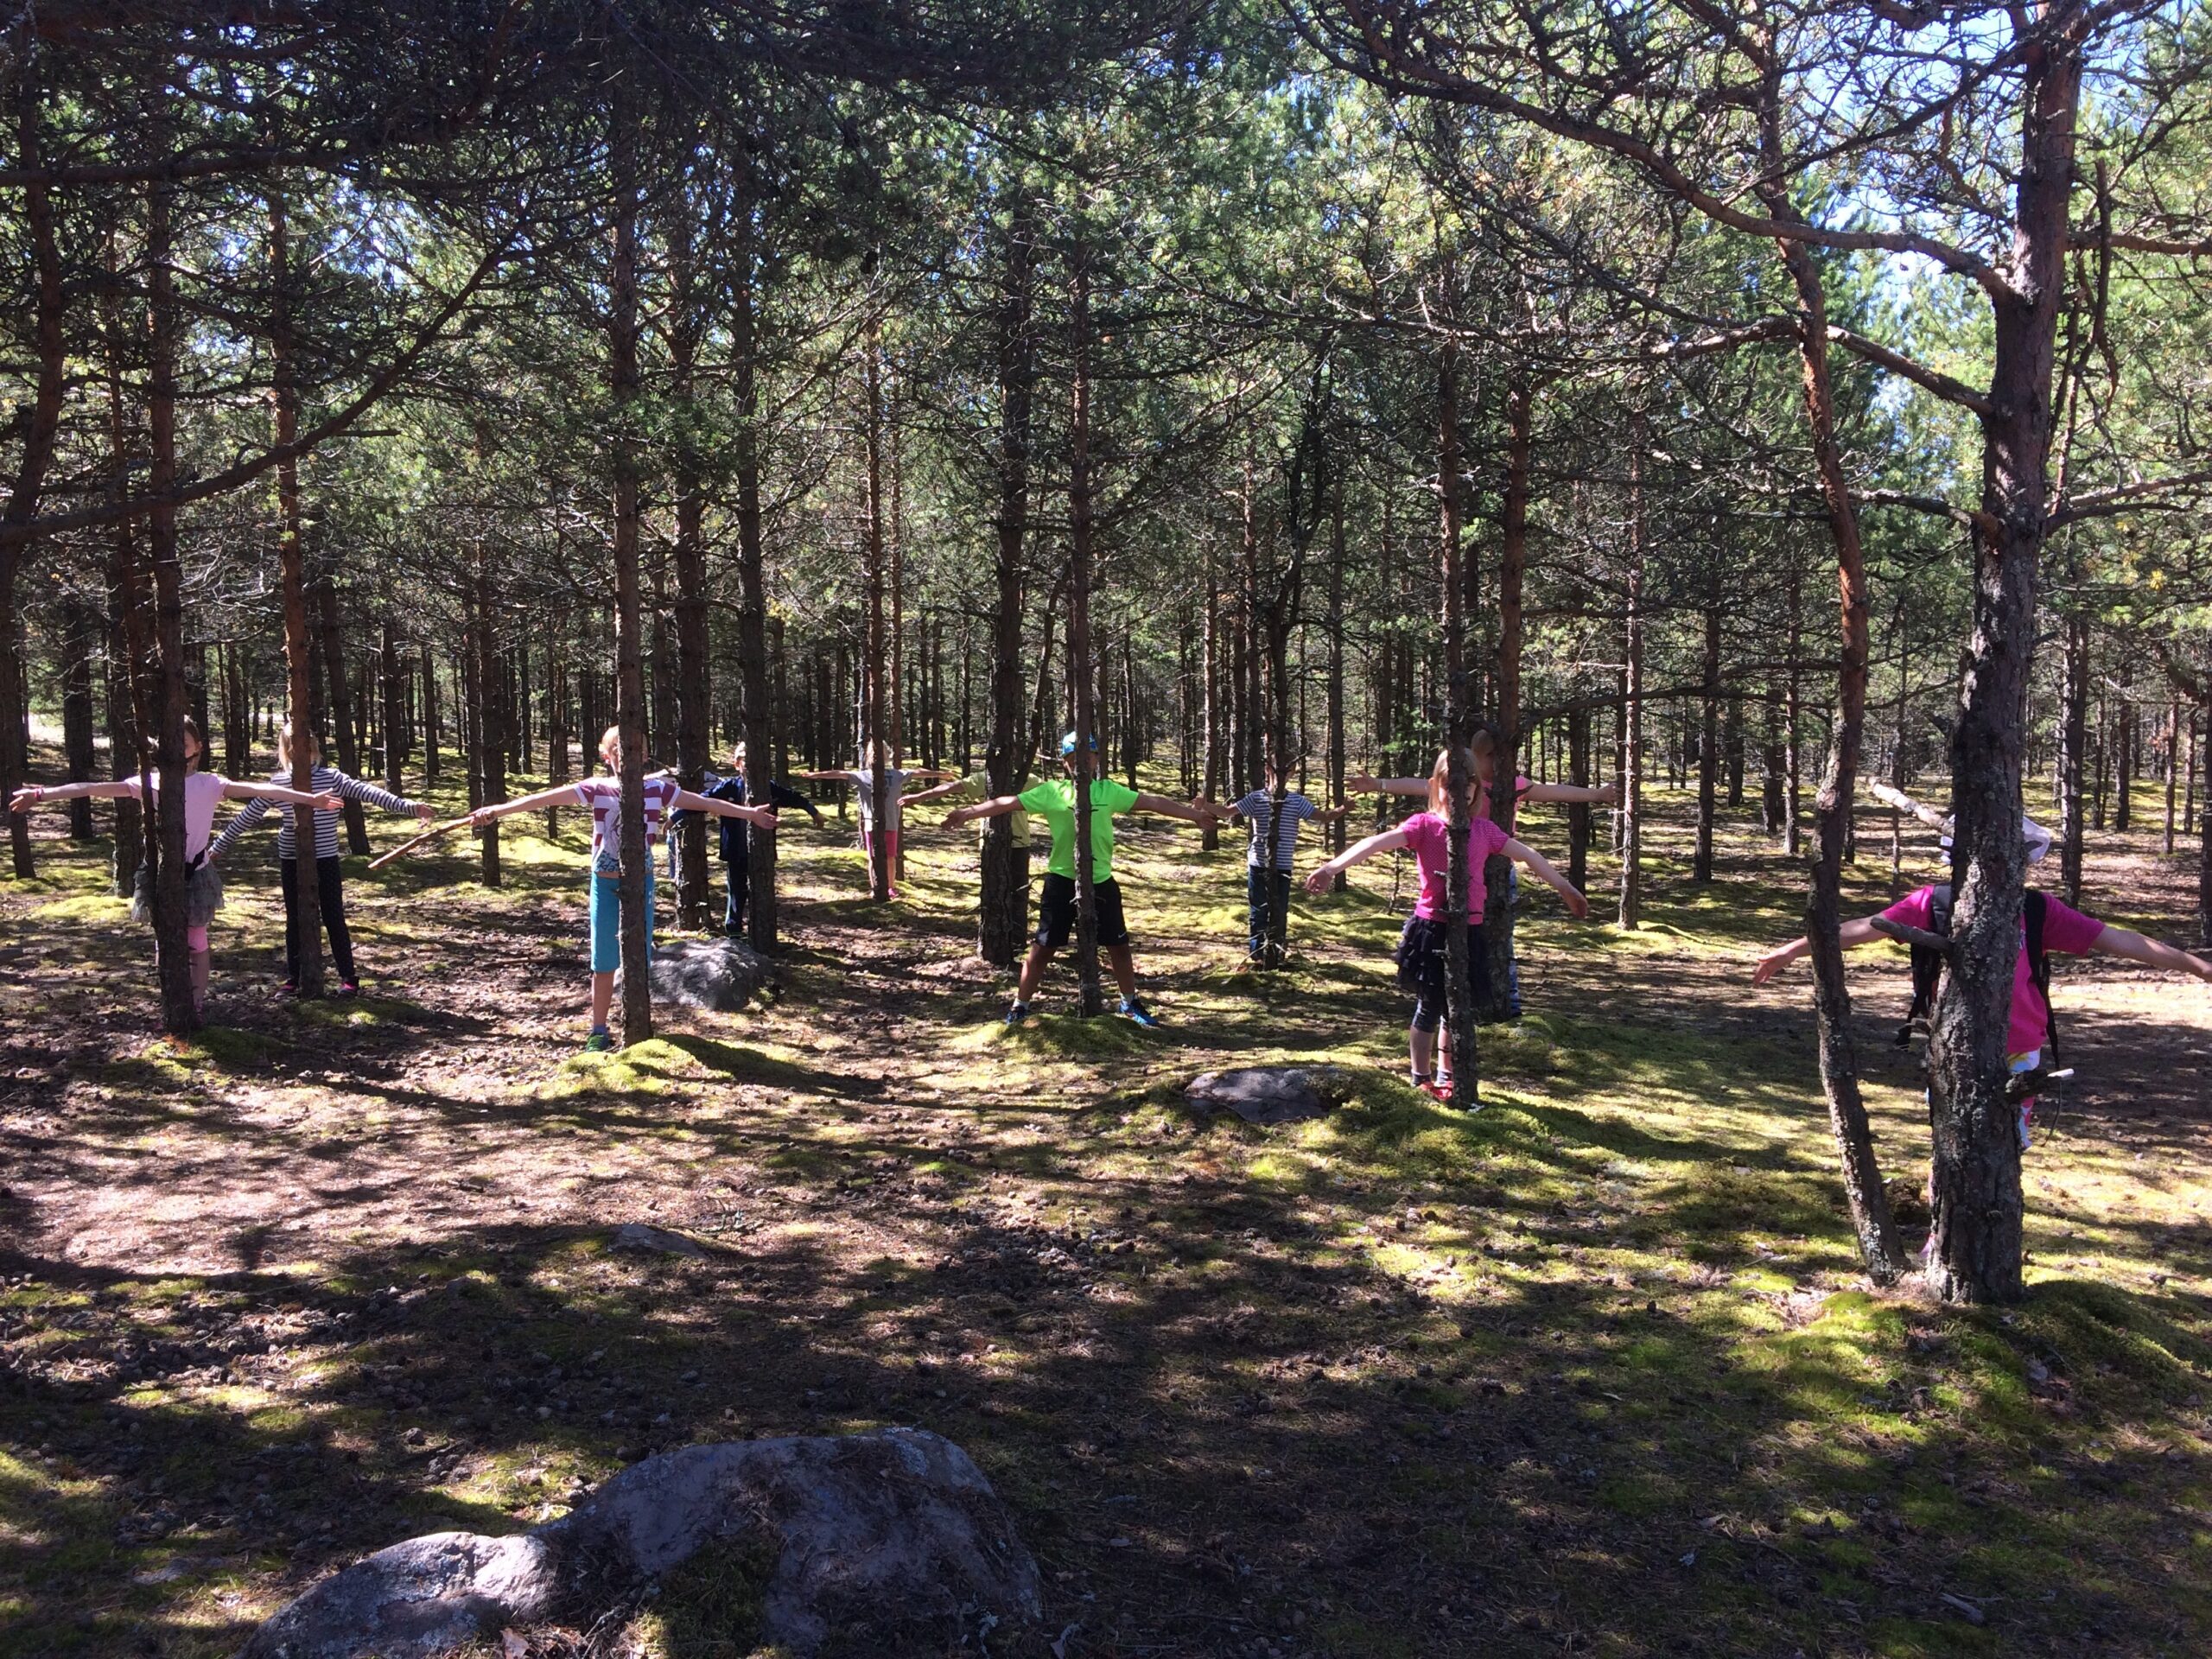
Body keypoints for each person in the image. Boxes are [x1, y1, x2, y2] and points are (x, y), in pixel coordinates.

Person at [1751, 883, 2212, 1149]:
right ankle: (1944, 1233)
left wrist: (2197, 966)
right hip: (1954, 1047)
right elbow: (1862, 929)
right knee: (1952, 1144)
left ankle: (1992, 1233)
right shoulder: (1934, 902)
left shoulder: (2036, 908)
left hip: (2023, 1049)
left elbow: (2120, 939)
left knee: (2006, 1144)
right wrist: (1791, 951)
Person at [9, 717, 342, 1021]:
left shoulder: (211, 783)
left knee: (196, 938)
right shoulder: (147, 782)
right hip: (159, 872)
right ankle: (172, 998)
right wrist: (40, 794)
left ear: (197, 747)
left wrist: (309, 799)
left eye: (184, 743)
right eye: (168, 743)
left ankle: (194, 1005)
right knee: (166, 938)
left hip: (197, 873)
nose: (176, 749)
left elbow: (262, 789)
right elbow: (90, 788)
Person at [468, 725, 778, 1052]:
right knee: (603, 961)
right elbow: (545, 798)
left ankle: (637, 1023)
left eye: (636, 750)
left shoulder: (657, 789)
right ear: (606, 757)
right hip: (604, 884)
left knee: (639, 958)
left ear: (644, 755)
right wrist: (496, 811)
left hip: (640, 883)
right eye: (618, 751)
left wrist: (748, 814)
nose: (628, 756)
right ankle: (598, 1030)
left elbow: (704, 803)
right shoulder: (597, 788)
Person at [1306, 747, 1588, 1099]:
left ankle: (1448, 1076)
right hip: (1431, 930)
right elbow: (1375, 843)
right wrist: (1332, 867)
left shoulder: (1484, 831)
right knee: (1430, 1005)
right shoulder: (1423, 826)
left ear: (1477, 790)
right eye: (1449, 784)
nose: (1459, 791)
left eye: (1468, 784)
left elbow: (1529, 855)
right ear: (1434, 786)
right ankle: (1419, 1076)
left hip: (1470, 930)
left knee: (1458, 1009)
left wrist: (1565, 888)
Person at [945, 731, 1211, 1027]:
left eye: (1087, 757)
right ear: (1065, 763)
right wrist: (968, 812)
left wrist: (1194, 816)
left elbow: (1154, 803)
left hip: (1101, 881)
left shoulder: (1108, 791)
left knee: (1119, 946)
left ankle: (1129, 1002)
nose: (1081, 763)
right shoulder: (1052, 792)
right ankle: (1021, 1006)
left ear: (1096, 759)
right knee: (1043, 947)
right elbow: (1007, 802)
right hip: (1061, 880)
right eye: (1073, 759)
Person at [1351, 729, 1614, 1015]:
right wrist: (1379, 784)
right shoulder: (1458, 782)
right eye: (1491, 756)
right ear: (1475, 758)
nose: (1500, 762)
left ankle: (1505, 999)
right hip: (1455, 871)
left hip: (1499, 866)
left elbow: (1552, 790)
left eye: (1505, 756)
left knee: (1500, 934)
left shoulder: (1512, 785)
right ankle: (1450, 995)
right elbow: (1418, 785)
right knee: (1453, 931)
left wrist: (1596, 795)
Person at [207, 720, 434, 995]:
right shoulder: (279, 782)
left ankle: (348, 977)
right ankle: (294, 977)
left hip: (325, 858)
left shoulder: (332, 777)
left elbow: (370, 793)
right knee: (295, 918)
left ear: (311, 746)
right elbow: (247, 817)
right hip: (291, 858)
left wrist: (411, 807)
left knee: (333, 915)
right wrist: (218, 846)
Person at [1195, 763, 1351, 964]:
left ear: (1292, 774)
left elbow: (1324, 817)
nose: (1282, 775)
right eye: (1277, 770)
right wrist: (1205, 805)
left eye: (1287, 771)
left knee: (1279, 910)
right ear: (1267, 770)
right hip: (1258, 863)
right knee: (1258, 910)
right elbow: (1227, 812)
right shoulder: (1257, 798)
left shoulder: (1296, 801)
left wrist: (1344, 809)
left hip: (1283, 865)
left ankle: (1276, 954)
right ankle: (1257, 955)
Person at [683, 743, 823, 937]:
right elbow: (702, 800)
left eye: (752, 760)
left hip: (761, 850)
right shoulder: (728, 787)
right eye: (743, 760)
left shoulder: (768, 787)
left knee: (762, 890)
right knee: (736, 890)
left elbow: (794, 798)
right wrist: (677, 815)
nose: (748, 764)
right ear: (736, 764)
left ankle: (762, 932)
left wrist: (813, 812)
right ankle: (734, 930)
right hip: (734, 850)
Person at [792, 743, 957, 899]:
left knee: (891, 857)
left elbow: (918, 772)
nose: (876, 757)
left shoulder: (896, 774)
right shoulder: (862, 776)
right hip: (871, 824)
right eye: (872, 754)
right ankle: (875, 888)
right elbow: (839, 773)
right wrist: (816, 775)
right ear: (867, 757)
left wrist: (940, 774)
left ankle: (891, 887)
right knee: (873, 857)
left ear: (887, 756)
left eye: (881, 754)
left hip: (891, 822)